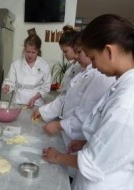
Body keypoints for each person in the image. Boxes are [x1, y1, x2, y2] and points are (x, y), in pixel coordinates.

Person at [42, 14, 134, 190]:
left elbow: (93, 163)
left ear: (108, 51)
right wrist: (87, 142)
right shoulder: (121, 86)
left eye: (92, 58)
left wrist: (58, 157)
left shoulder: (127, 102)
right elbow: (115, 142)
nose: (93, 65)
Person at [33, 25, 83, 122]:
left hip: (72, 120)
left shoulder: (85, 70)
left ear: (75, 47)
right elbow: (65, 96)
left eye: (65, 51)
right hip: (66, 118)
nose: (64, 55)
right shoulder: (73, 67)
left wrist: (44, 110)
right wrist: (44, 110)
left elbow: (68, 98)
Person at [2, 33, 51, 107]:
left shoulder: (44, 65)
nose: (30, 55)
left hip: (36, 104)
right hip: (18, 103)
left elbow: (46, 87)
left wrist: (34, 98)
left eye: (33, 52)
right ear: (24, 49)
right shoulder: (16, 64)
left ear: (38, 51)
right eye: (28, 51)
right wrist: (7, 87)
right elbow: (10, 81)